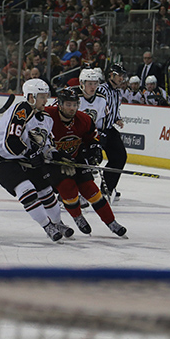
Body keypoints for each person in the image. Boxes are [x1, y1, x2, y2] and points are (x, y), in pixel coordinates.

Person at [0, 78, 74, 243]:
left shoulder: (46, 118)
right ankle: (47, 226)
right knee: (27, 191)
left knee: (46, 192)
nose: (45, 100)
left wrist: (56, 155)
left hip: (25, 160)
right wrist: (30, 153)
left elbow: (46, 145)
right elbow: (11, 141)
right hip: (2, 160)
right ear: (31, 96)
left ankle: (58, 223)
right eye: (42, 96)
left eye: (46, 96)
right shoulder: (21, 109)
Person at [45, 88, 127, 237]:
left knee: (91, 190)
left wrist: (93, 150)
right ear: (60, 105)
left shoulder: (84, 119)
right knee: (68, 188)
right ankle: (78, 217)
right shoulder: (48, 116)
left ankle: (111, 222)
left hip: (76, 159)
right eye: (68, 105)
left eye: (75, 104)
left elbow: (92, 139)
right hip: (54, 162)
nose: (72, 108)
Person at [97, 64, 129, 201]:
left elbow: (113, 109)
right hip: (98, 130)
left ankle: (107, 188)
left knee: (120, 157)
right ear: (111, 75)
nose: (121, 78)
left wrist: (117, 119)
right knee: (92, 159)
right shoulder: (101, 90)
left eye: (122, 76)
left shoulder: (117, 91)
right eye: (119, 75)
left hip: (110, 129)